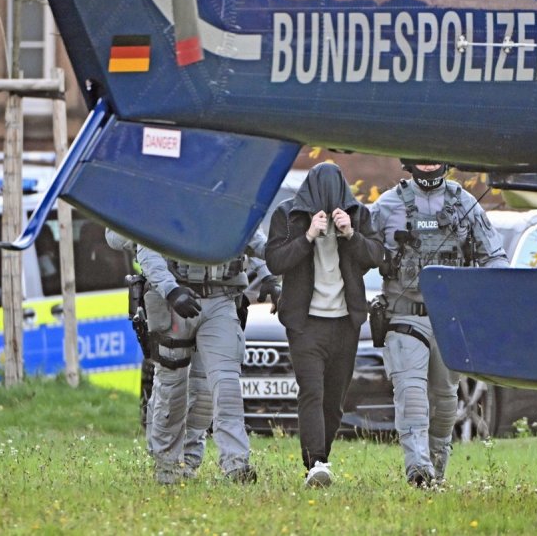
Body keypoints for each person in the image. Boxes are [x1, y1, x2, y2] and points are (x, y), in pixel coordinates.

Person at [369, 160, 509, 486]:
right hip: (404, 316)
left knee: (446, 402)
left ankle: (436, 470)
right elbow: (356, 250)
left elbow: (494, 256)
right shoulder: (387, 205)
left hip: (449, 319)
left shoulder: (465, 204)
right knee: (412, 394)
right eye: (421, 156)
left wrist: (495, 299)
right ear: (408, 161)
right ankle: (418, 470)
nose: (428, 163)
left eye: (434, 156)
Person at [108, 228, 279, 484]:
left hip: (221, 298)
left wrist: (268, 276)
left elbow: (249, 234)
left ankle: (235, 464)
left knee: (224, 382)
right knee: (172, 387)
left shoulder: (229, 195)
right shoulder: (167, 196)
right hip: (173, 298)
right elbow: (147, 246)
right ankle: (168, 465)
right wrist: (171, 290)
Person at [265, 162, 383, 487]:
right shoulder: (288, 215)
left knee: (334, 402)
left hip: (346, 323)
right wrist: (307, 236)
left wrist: (351, 234)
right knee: (311, 392)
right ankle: (315, 461)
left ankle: (321, 461)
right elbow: (275, 260)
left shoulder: (357, 215)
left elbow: (377, 256)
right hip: (305, 324)